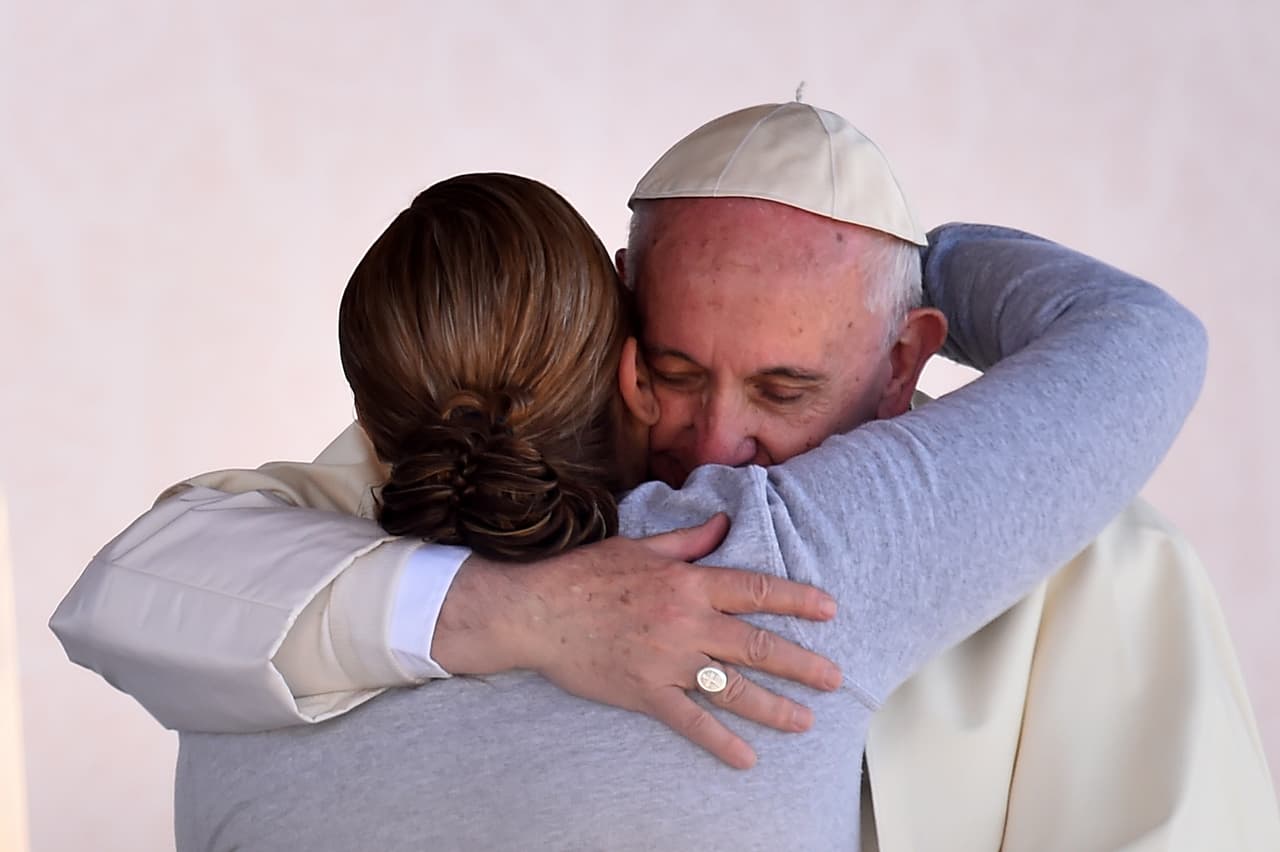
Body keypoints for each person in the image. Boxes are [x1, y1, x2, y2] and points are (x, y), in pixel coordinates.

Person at [53, 104, 1279, 849]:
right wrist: (525, 616)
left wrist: (891, 249)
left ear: (908, 357)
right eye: (676, 370)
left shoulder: (1108, 564)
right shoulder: (775, 539)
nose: (710, 444)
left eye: (785, 389)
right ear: (611, 346)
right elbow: (128, 587)